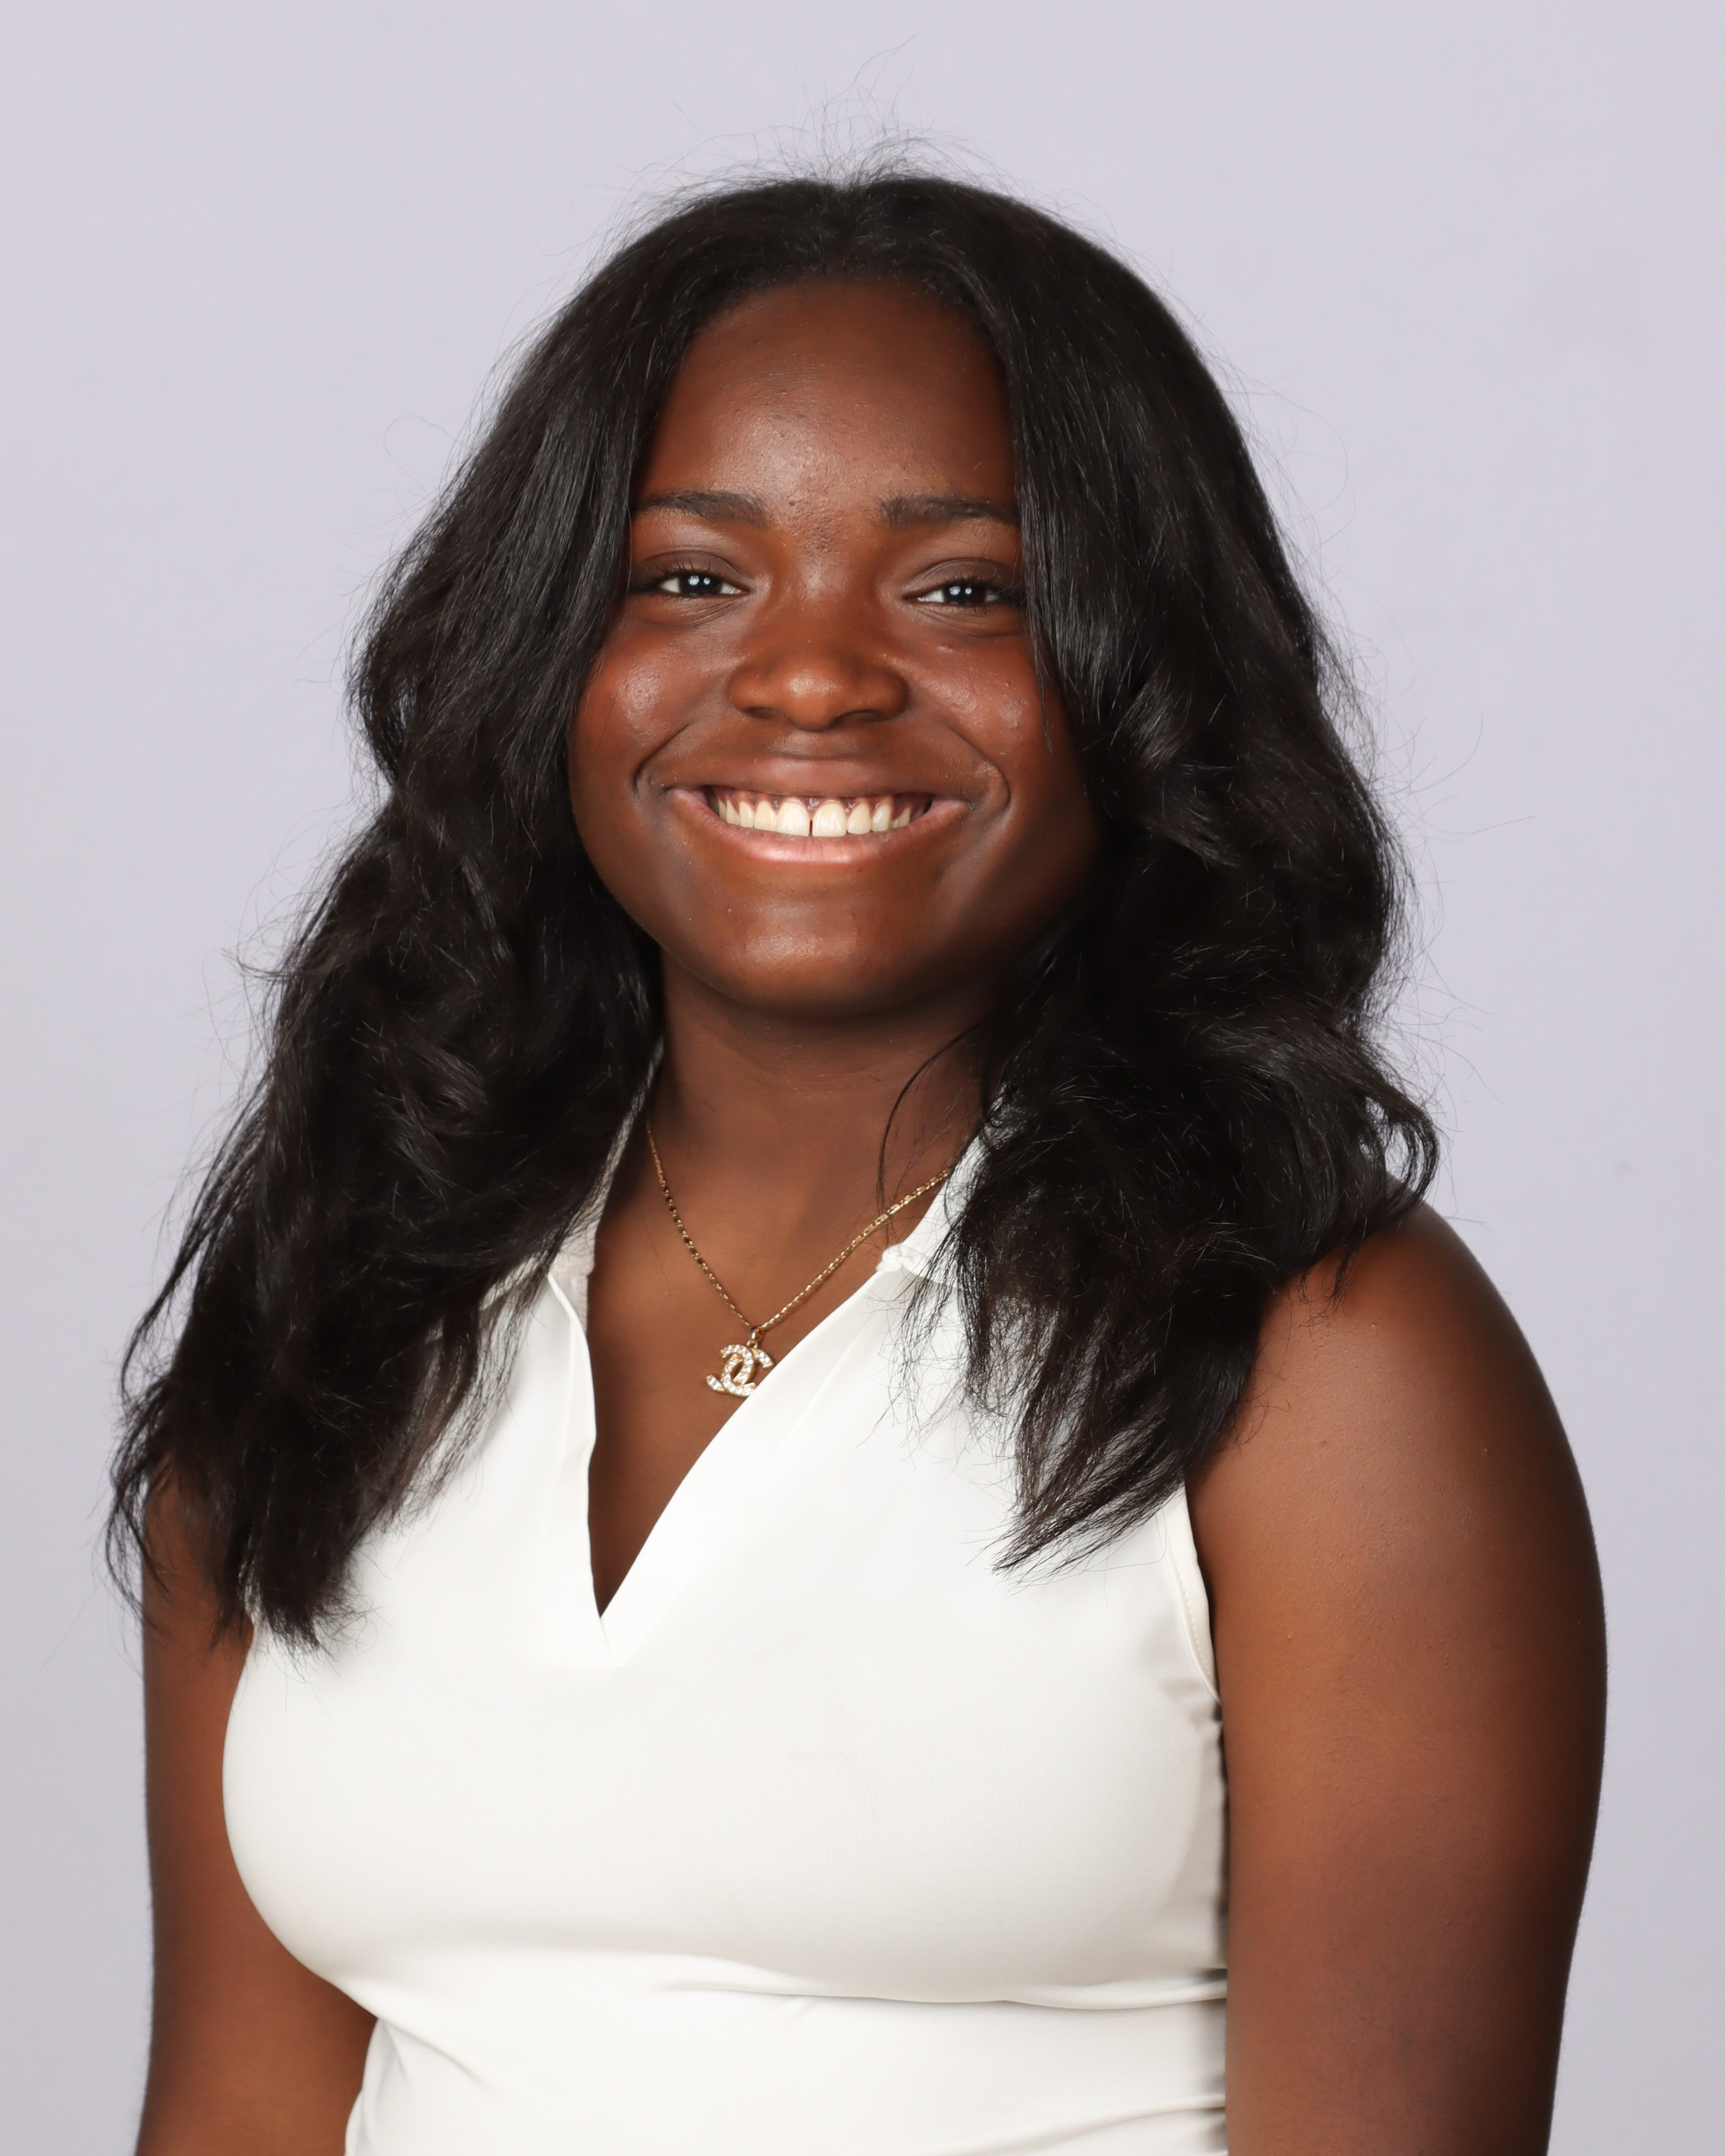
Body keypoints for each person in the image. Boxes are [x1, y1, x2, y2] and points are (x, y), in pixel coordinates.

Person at [114, 169, 1605, 2156]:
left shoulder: (1327, 1354)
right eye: (691, 578)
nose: (813, 678)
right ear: (546, 656)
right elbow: (235, 2112)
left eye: (964, 589)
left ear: (1141, 677)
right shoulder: (345, 1299)